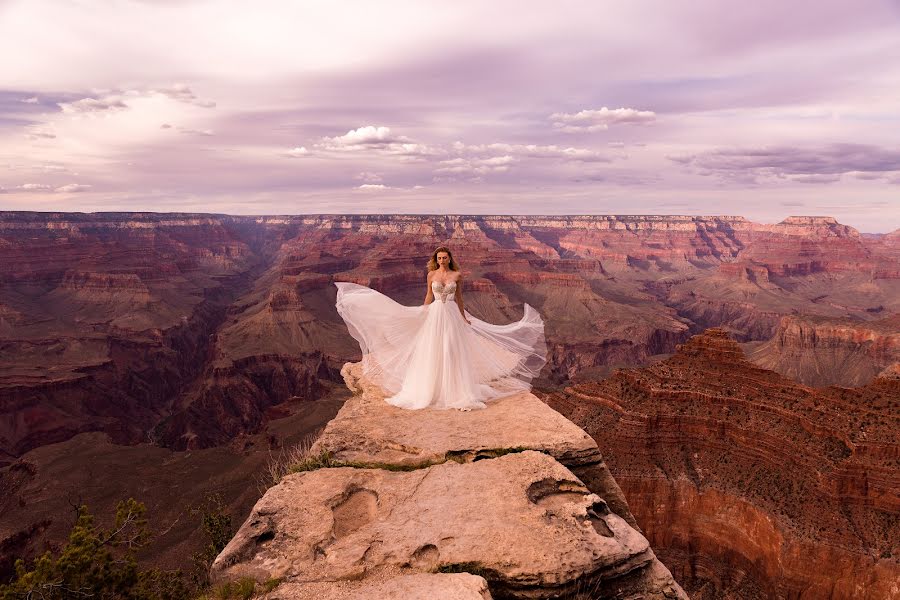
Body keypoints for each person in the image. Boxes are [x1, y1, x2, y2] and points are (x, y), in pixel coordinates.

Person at [334, 246, 547, 410]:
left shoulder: (457, 276)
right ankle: (432, 389)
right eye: (439, 258)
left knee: (451, 349)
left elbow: (460, 298)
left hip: (452, 314)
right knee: (433, 349)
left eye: (445, 258)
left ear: (449, 259)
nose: (442, 260)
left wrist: (464, 318)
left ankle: (455, 389)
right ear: (435, 260)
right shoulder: (431, 275)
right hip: (435, 313)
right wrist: (422, 312)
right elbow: (428, 294)